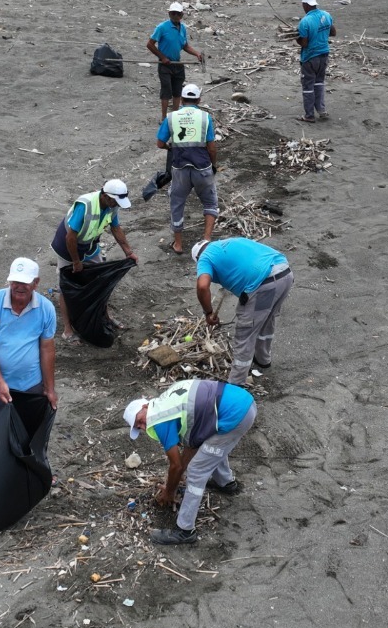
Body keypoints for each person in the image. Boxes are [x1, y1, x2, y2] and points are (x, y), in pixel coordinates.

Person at [124, 378, 257, 545]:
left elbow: (176, 465)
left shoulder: (159, 418)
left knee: (196, 470)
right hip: (243, 402)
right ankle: (225, 483)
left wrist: (170, 491)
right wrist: (177, 477)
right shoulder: (167, 401)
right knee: (211, 448)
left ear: (144, 407)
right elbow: (192, 445)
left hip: (235, 413)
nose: (143, 426)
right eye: (139, 427)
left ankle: (185, 531)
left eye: (140, 421)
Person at [0, 257, 57, 442]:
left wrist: (50, 388)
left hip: (29, 383)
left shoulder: (46, 309)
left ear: (36, 283)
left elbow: (47, 349)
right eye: (15, 281)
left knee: (29, 431)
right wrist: (0, 382)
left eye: (25, 282)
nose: (19, 286)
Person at [192, 237, 293, 384]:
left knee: (245, 333)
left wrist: (208, 312)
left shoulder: (205, 257)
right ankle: (263, 360)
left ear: (197, 258)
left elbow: (202, 286)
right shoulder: (230, 241)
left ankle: (236, 382)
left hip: (263, 282)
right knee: (266, 319)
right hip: (285, 272)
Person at [52, 179, 138, 340]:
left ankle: (106, 316)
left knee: (102, 281)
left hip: (89, 245)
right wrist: (76, 262)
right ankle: (67, 329)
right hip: (67, 247)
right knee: (64, 287)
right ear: (105, 196)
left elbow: (115, 227)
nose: (116, 205)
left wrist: (128, 252)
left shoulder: (112, 206)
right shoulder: (85, 205)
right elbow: (70, 237)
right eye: (115, 201)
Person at [156, 82, 219, 255]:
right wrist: (213, 165)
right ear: (199, 99)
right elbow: (211, 147)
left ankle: (178, 244)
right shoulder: (205, 118)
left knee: (177, 203)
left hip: (180, 167)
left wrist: (172, 148)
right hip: (202, 166)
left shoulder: (171, 117)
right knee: (210, 202)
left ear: (182, 99)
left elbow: (160, 143)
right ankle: (206, 241)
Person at [147, 1, 206, 119]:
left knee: (177, 91)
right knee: (166, 91)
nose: (175, 16)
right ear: (169, 14)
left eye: (178, 14)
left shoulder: (183, 28)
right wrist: (162, 57)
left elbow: (185, 46)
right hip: (164, 65)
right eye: (173, 13)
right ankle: (164, 118)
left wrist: (197, 54)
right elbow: (150, 44)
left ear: (182, 15)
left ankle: (175, 117)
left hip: (177, 64)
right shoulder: (162, 27)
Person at [294, 0, 337, 122]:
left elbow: (305, 43)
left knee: (308, 86)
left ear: (305, 5)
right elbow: (333, 32)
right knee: (319, 83)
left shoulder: (305, 21)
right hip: (324, 54)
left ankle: (309, 115)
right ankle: (321, 110)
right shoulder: (326, 15)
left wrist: (297, 39)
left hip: (310, 57)